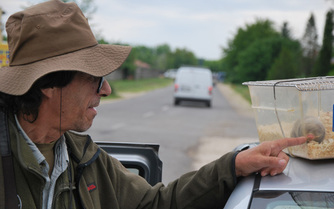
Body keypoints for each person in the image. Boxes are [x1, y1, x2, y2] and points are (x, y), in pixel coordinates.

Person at [0, 0, 308, 208]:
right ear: (49, 84)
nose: (106, 89)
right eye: (95, 78)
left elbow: (156, 203)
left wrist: (234, 165)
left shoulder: (82, 157)